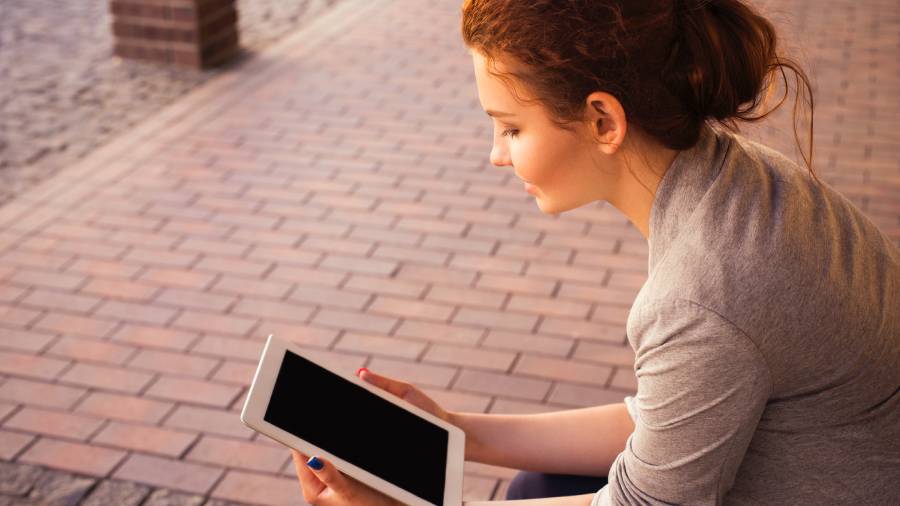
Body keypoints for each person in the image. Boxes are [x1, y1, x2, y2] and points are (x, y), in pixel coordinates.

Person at [291, 0, 900, 504]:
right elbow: (666, 417)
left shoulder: (702, 293)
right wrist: (452, 433)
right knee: (536, 486)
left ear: (603, 121)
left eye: (511, 128)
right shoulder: (736, 179)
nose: (497, 155)